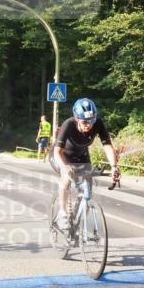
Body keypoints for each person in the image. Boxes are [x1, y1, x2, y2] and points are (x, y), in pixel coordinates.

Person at [53, 98, 120, 231]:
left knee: (86, 192)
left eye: (91, 120)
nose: (88, 125)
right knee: (66, 179)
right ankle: (62, 213)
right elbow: (57, 152)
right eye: (84, 121)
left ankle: (77, 223)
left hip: (82, 157)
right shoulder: (69, 124)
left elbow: (107, 146)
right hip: (63, 156)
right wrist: (65, 167)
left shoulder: (98, 124)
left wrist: (114, 167)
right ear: (77, 118)